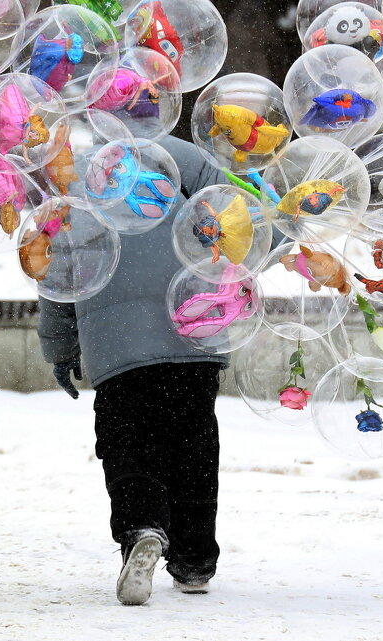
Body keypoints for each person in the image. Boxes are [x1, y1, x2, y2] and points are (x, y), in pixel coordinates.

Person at [37, 134, 235, 606]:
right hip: (194, 331)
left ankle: (141, 528)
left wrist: (60, 349)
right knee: (194, 447)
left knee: (128, 445)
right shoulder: (191, 162)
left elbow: (57, 274)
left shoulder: (78, 181)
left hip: (116, 347)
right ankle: (193, 560)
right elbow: (240, 224)